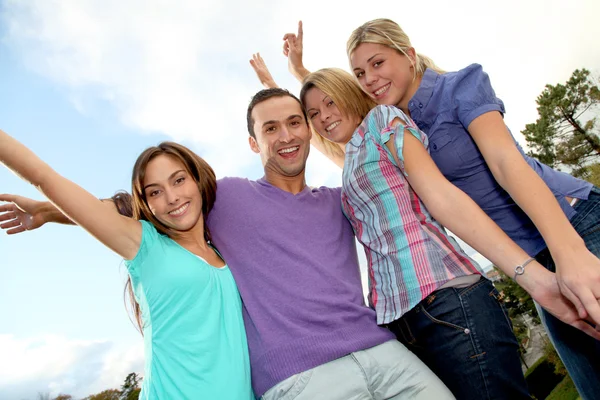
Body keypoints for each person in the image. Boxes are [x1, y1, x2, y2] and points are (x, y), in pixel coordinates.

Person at [0, 89, 455, 399]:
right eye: (270, 128)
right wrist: (47, 210)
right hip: (297, 379)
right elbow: (117, 205)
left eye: (295, 123)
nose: (286, 135)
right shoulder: (212, 210)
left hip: (373, 352)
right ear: (253, 142)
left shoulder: (335, 203)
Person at [254, 19, 600, 399]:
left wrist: (569, 253)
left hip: (571, 224)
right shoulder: (386, 130)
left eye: (378, 64)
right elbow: (331, 123)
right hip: (526, 254)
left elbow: (506, 164)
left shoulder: (450, 91)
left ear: (408, 54)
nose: (370, 79)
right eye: (360, 73)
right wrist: (291, 80)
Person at [0, 137, 253, 399]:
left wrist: (47, 213)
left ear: (197, 180)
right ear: (147, 204)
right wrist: (47, 208)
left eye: (179, 180)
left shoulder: (223, 251)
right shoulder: (145, 246)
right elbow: (45, 177)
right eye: (155, 192)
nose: (172, 197)